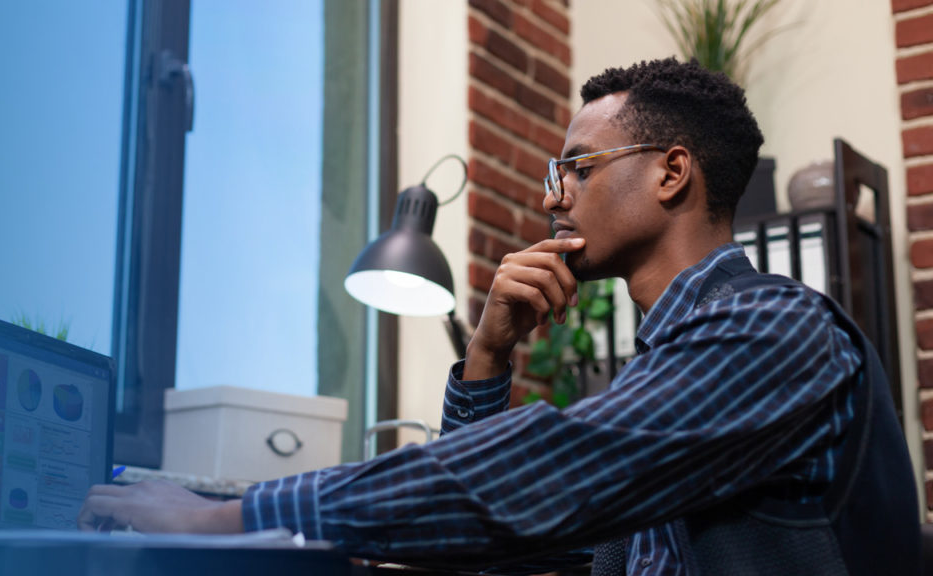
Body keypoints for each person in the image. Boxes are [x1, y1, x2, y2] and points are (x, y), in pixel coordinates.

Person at [79, 58, 919, 574]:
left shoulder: (775, 332)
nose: (553, 197)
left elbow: (548, 470)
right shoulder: (673, 369)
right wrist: (485, 358)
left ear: (671, 174)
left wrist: (220, 519)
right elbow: (503, 536)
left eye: (578, 168)